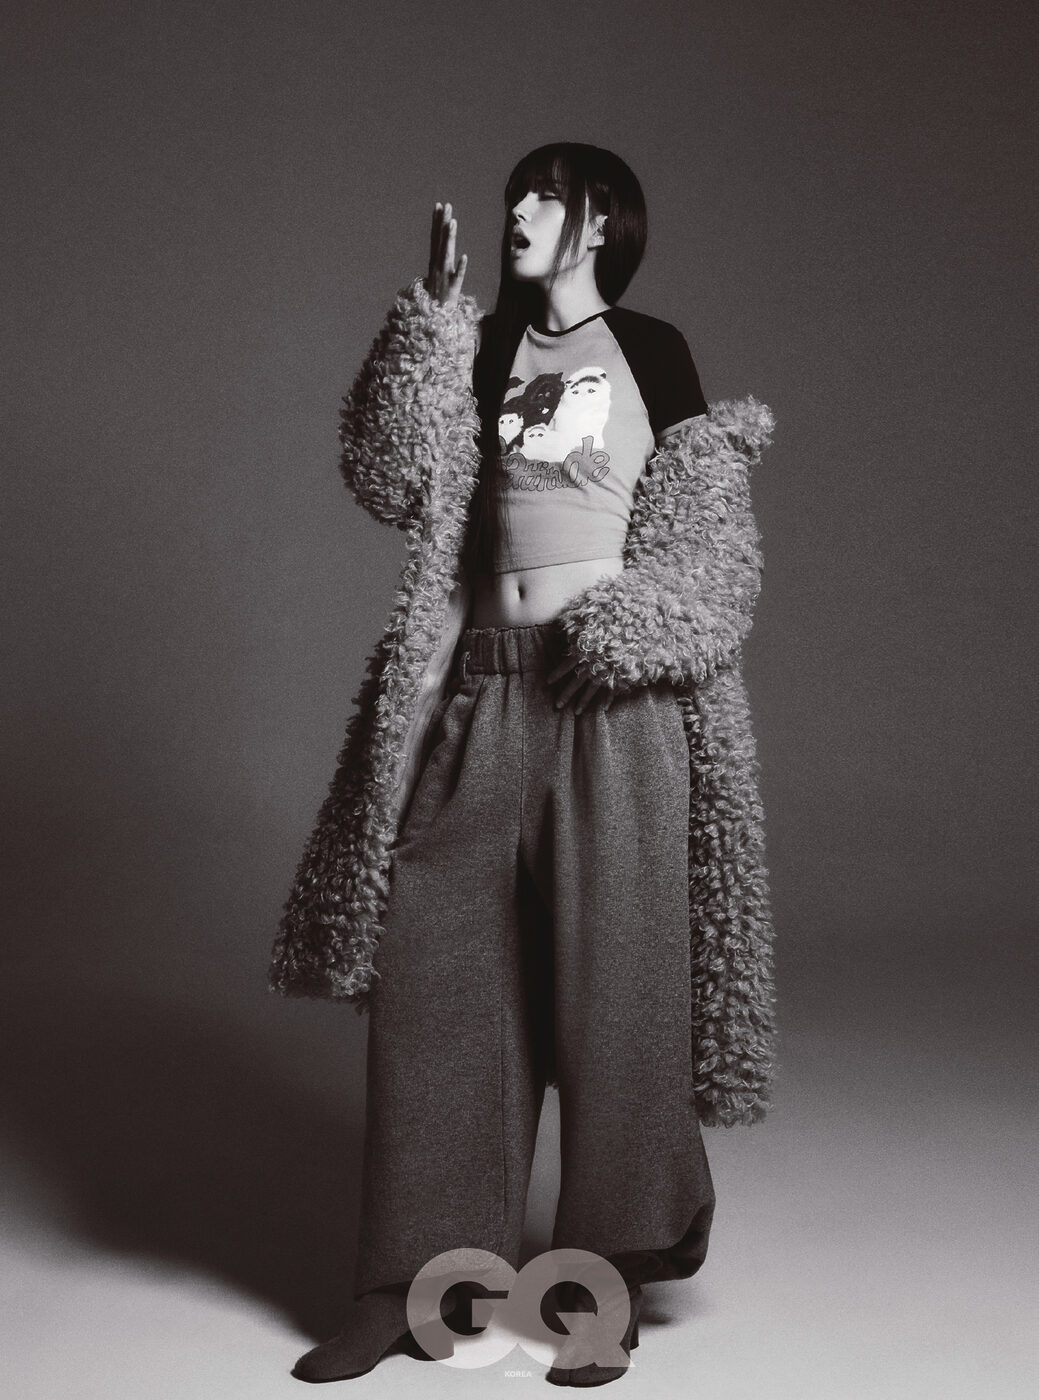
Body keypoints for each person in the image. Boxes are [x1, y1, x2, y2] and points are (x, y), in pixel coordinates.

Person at [273, 142, 777, 1386]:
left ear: (600, 220)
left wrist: (635, 628)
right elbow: (394, 480)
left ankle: (605, 1278)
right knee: (437, 980)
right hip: (483, 689)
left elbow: (711, 544)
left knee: (617, 988)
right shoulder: (485, 344)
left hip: (609, 701)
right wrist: (431, 328)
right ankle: (410, 1280)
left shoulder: (650, 351)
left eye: (547, 194)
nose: (521, 210)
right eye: (518, 192)